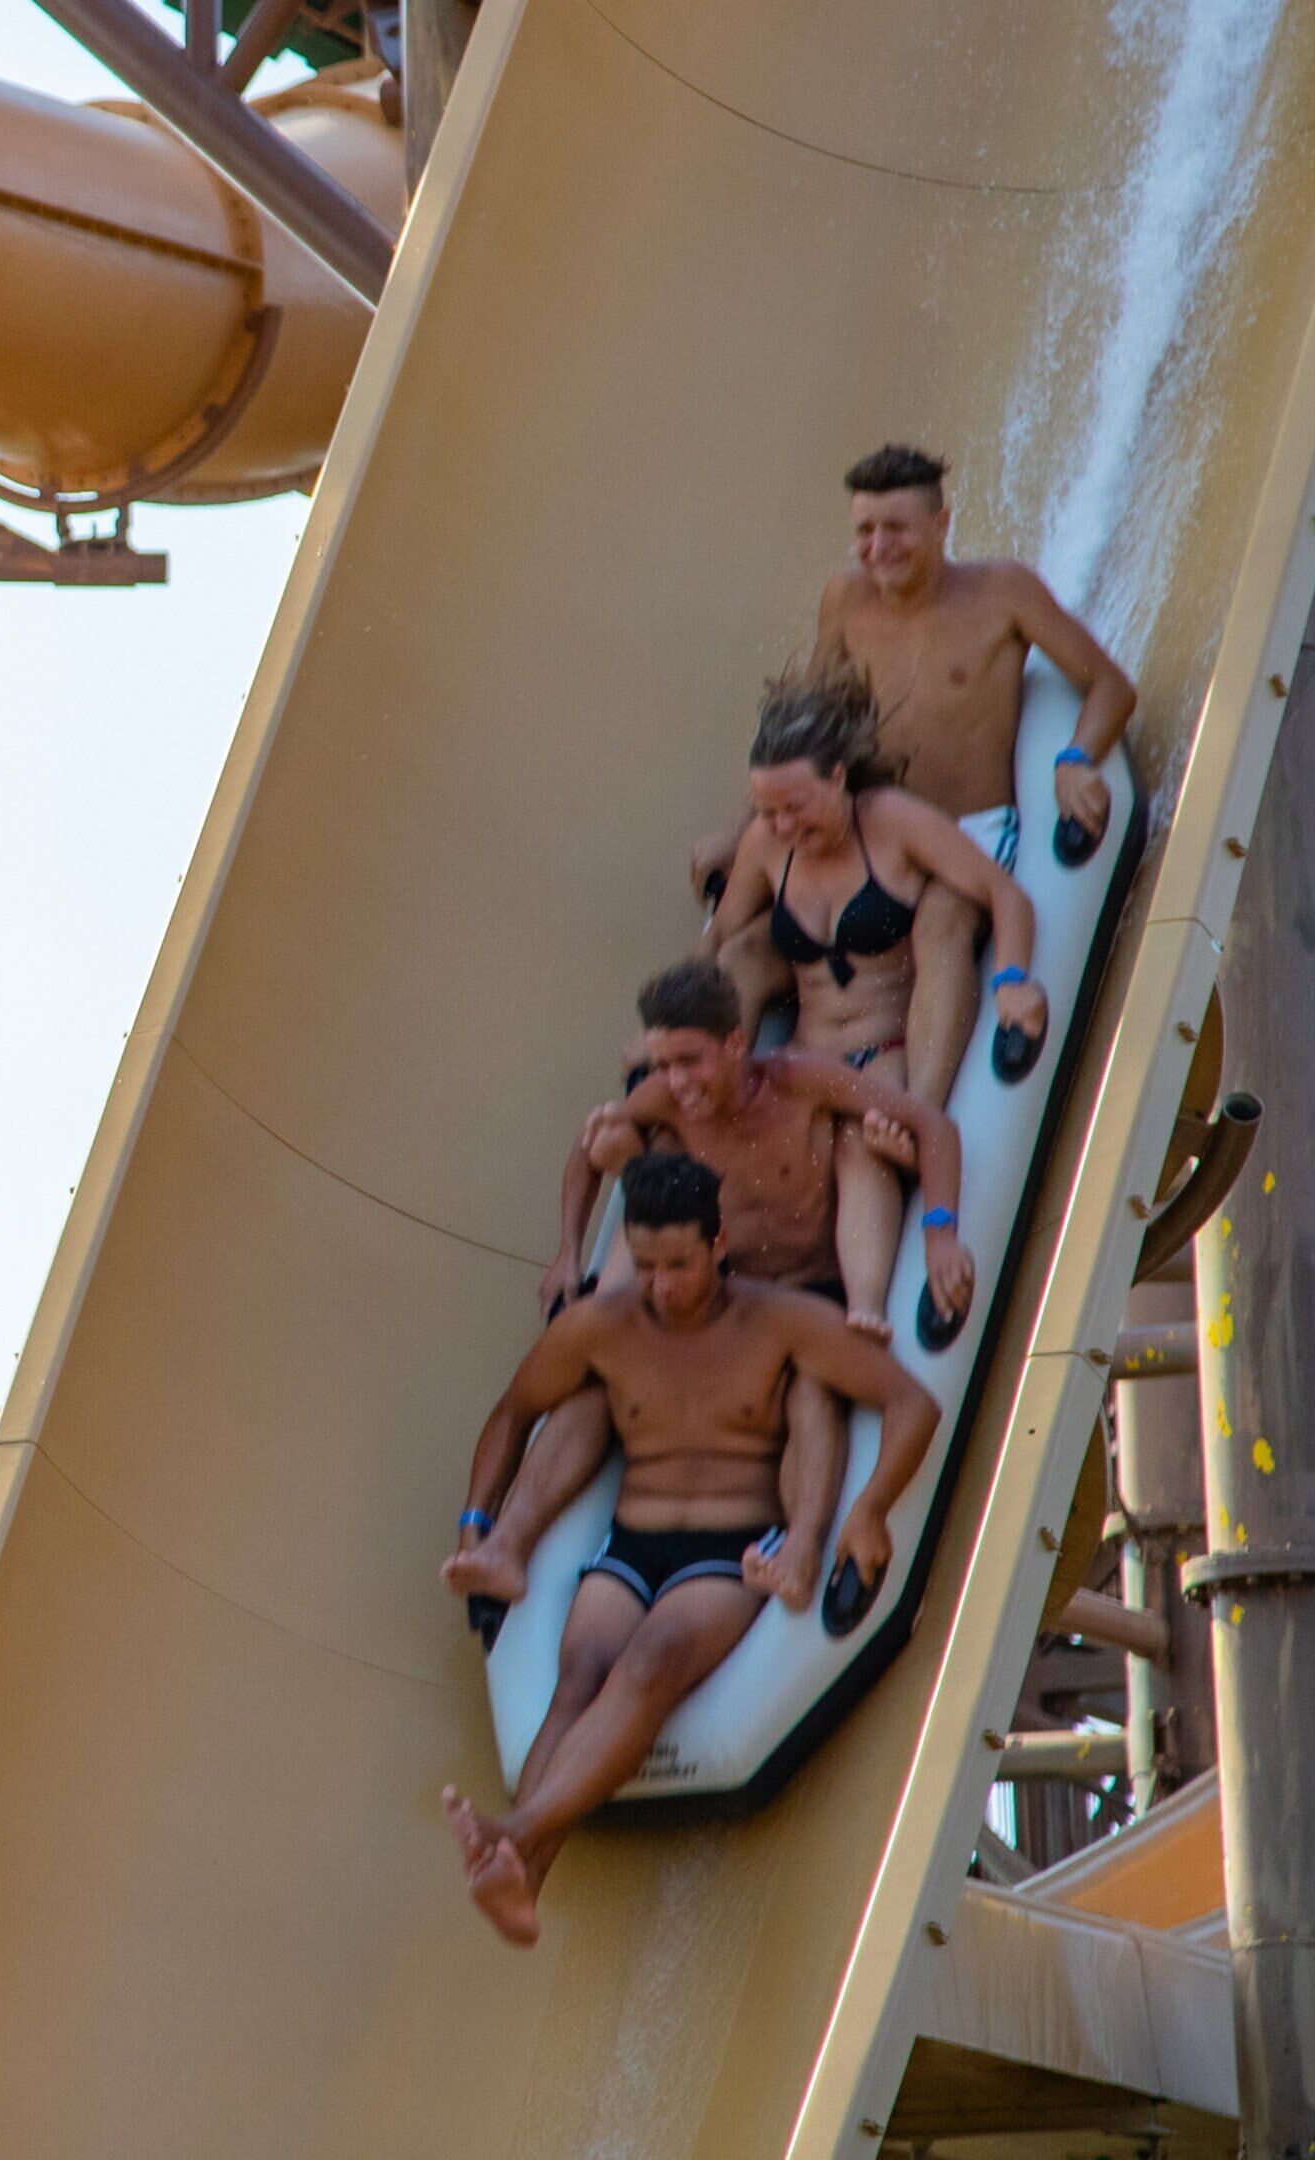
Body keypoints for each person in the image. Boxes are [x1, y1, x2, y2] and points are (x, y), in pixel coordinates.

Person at [441, 1152, 939, 1948]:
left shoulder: (780, 1321)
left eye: (678, 1265)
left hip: (729, 1549)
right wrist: (476, 1521)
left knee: (653, 1661)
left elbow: (911, 1403)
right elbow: (511, 1413)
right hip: (633, 1541)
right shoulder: (603, 1327)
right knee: (578, 1675)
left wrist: (871, 1509)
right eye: (645, 1267)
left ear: (718, 1244)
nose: (662, 1287)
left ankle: (515, 1834)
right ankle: (523, 1876)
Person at [443, 957, 963, 1613]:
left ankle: (799, 1552)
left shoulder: (802, 1080)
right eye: (663, 1064)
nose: (676, 1082)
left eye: (690, 1061)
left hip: (809, 1295)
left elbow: (934, 1126)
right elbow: (586, 1150)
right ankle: (504, 1548)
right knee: (597, 1386)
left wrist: (940, 1234)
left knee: (810, 1386)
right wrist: (567, 1252)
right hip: (722, 1299)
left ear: (736, 1044)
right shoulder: (663, 1100)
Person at [701, 676, 1036, 1321]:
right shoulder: (768, 844)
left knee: (862, 1142)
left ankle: (866, 1311)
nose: (782, 825)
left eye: (795, 806)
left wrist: (1013, 981)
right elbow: (719, 939)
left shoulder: (892, 823)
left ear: (837, 778)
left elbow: (1003, 895)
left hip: (884, 1051)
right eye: (768, 811)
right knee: (739, 964)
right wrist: (667, 1033)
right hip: (806, 1059)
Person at [809, 443, 1133, 1094]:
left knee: (942, 922)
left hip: (973, 832)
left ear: (941, 524)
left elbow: (1110, 686)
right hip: (885, 836)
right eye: (865, 531)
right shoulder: (846, 600)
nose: (878, 548)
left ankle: (920, 1114)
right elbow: (808, 730)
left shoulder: (1001, 593)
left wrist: (1075, 760)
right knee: (765, 946)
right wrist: (745, 835)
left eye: (895, 528)